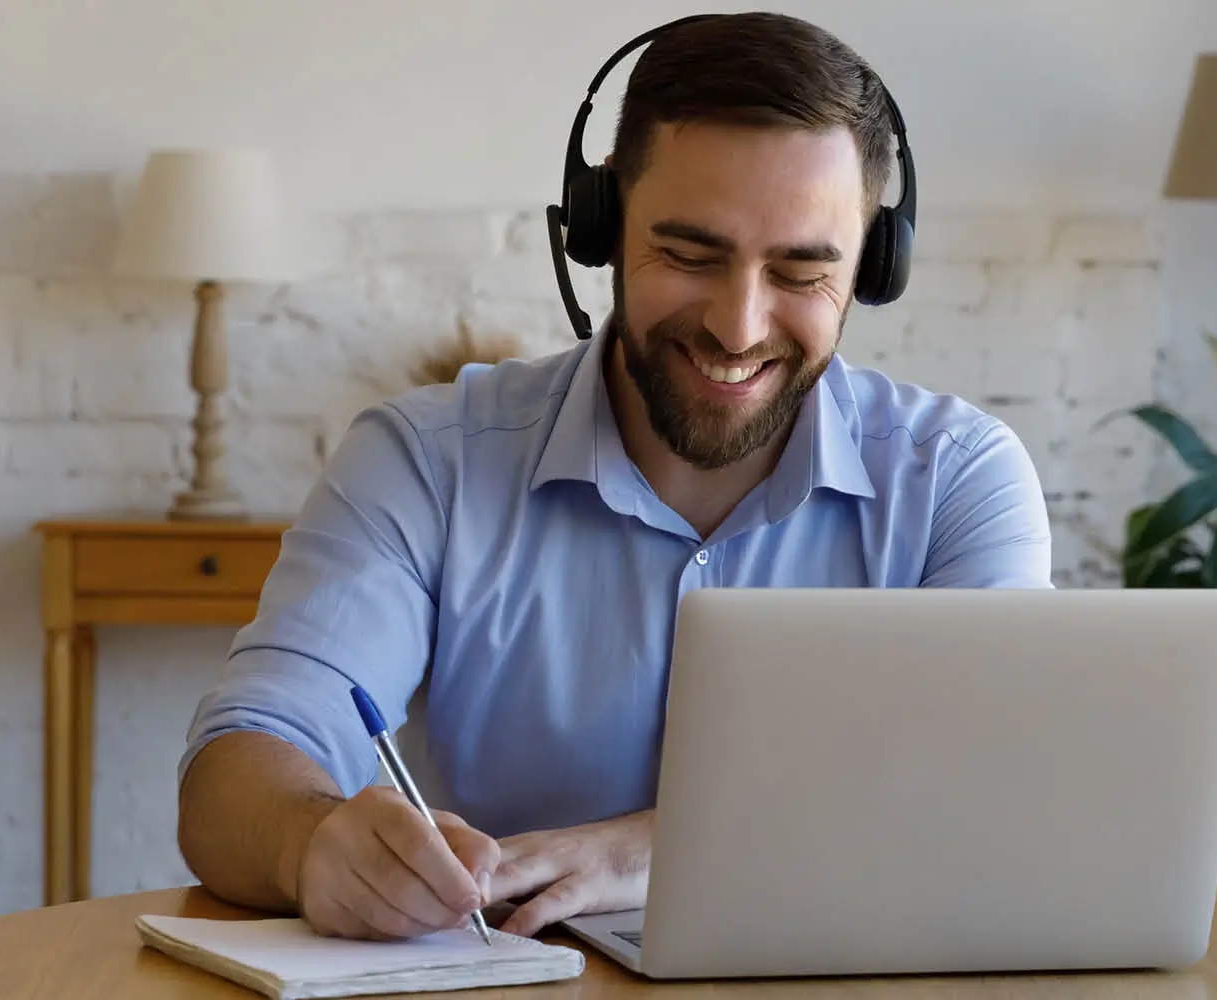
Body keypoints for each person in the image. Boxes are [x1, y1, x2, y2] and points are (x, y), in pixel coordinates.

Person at [175, 11, 1054, 944]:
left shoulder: (959, 480)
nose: (738, 325)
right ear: (597, 230)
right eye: (687, 255)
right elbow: (236, 768)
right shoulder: (425, 461)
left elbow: (990, 807)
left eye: (800, 272)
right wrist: (309, 841)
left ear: (874, 266)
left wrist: (655, 849)